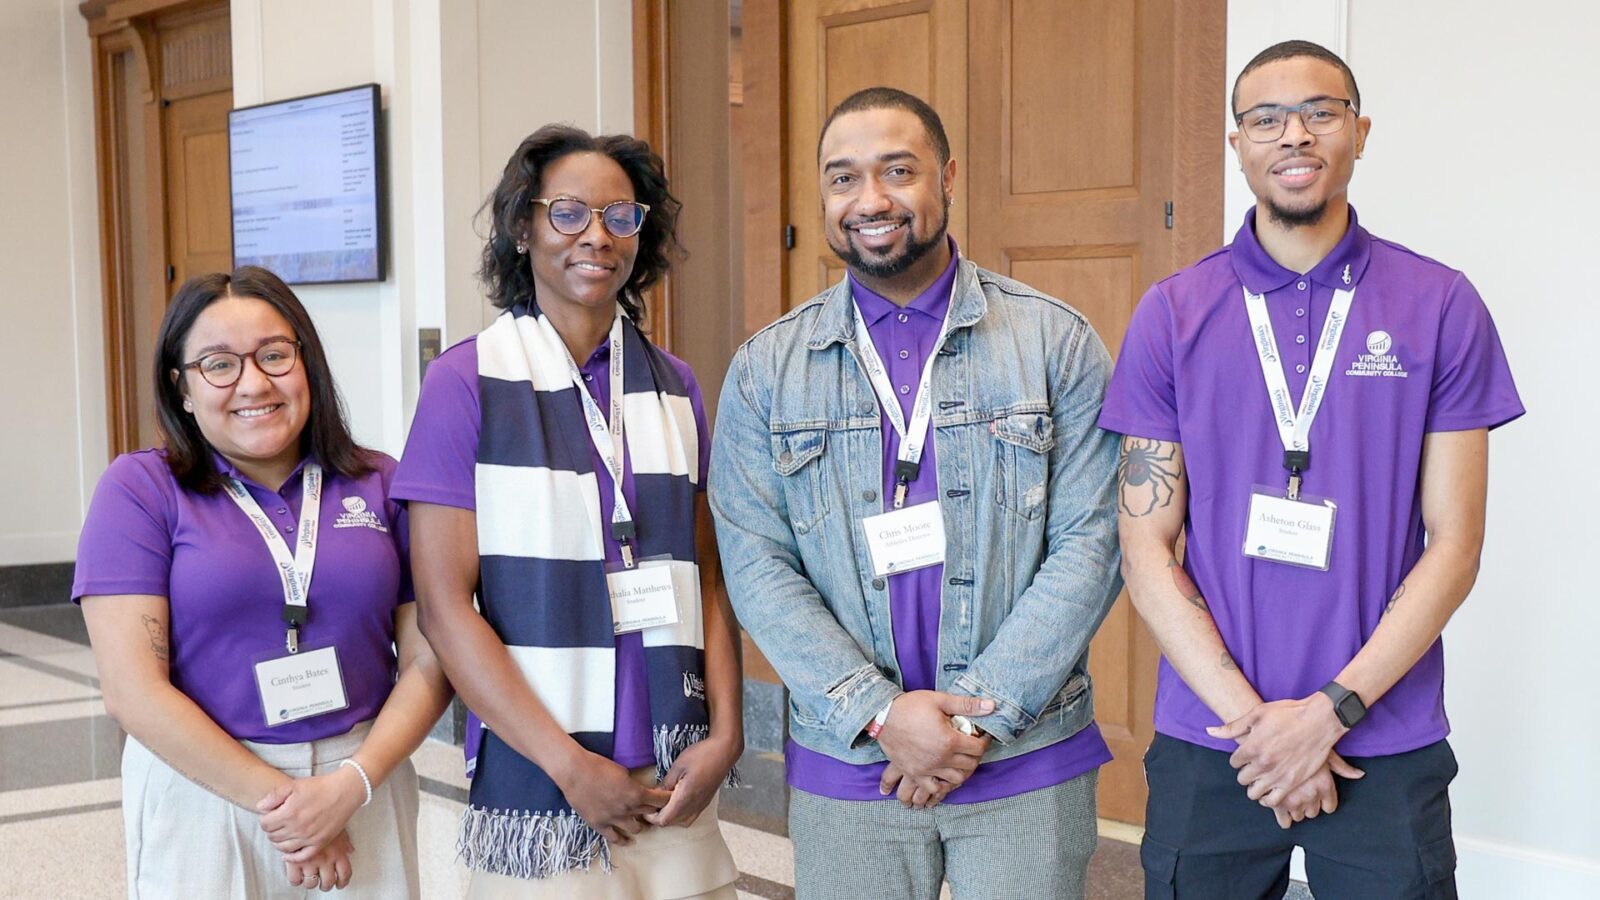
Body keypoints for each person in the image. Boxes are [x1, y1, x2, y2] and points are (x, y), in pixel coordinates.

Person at [1100, 40, 1524, 898]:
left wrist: (1331, 712)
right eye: (1264, 118)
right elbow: (1145, 544)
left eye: (1320, 112)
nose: (1293, 135)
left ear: (1359, 132)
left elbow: (1456, 542)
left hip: (1383, 731)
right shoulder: (1172, 312)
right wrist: (1260, 727)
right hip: (1215, 735)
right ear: (1237, 145)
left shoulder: (1440, 304)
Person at [709, 87, 1122, 900]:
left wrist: (967, 725)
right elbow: (755, 562)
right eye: (843, 179)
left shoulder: (1055, 341)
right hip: (850, 762)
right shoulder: (765, 370)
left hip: (1024, 759)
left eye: (899, 171)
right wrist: (881, 715)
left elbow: (1094, 543)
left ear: (948, 178)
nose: (870, 200)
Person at [395, 124, 743, 899]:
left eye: (622, 217)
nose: (597, 236)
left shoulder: (675, 385)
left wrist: (726, 734)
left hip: (671, 775)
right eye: (568, 213)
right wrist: (569, 765)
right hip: (543, 778)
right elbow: (447, 612)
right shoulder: (466, 382)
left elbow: (709, 583)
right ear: (523, 228)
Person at [74, 267, 454, 898]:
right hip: (206, 789)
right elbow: (133, 691)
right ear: (183, 389)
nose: (254, 382)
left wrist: (349, 786)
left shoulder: (382, 483)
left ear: (307, 363)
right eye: (219, 364)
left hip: (364, 779)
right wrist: (292, 810)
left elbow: (430, 659)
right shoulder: (139, 490)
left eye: (275, 355)